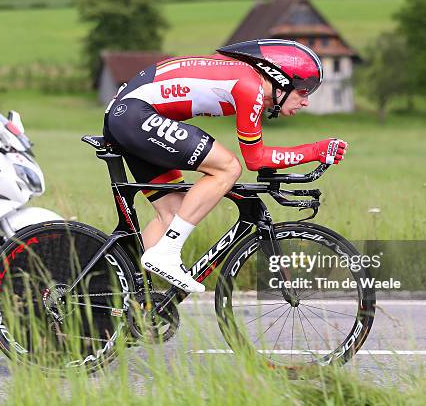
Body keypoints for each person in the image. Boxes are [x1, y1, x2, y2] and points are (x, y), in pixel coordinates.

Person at [103, 39, 348, 293]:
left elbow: (259, 155)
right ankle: (167, 253)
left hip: (128, 117)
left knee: (175, 213)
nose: (306, 101)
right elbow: (255, 159)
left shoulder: (247, 81)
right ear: (281, 79)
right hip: (134, 115)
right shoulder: (249, 86)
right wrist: (314, 151)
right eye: (303, 91)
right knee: (227, 167)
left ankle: (113, 291)